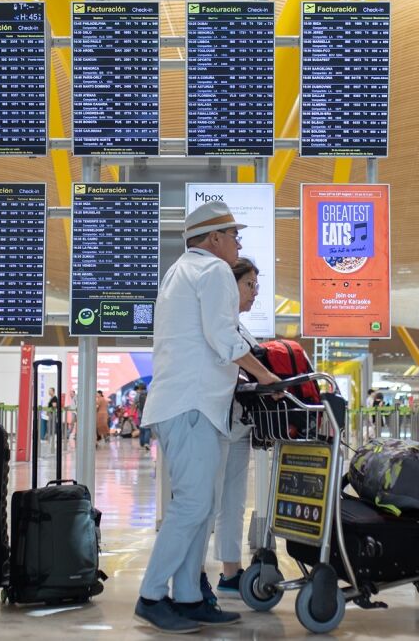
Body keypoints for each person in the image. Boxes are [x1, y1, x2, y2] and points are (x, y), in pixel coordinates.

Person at [135, 201, 279, 633]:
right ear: (214, 238)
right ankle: (151, 596)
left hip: (186, 405)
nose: (238, 244)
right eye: (234, 235)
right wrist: (266, 376)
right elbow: (223, 337)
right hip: (193, 405)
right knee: (194, 504)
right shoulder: (213, 271)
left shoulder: (179, 272)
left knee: (202, 506)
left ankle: (189, 597)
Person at [211, 257, 261, 595]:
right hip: (214, 421)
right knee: (205, 501)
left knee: (234, 501)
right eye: (249, 285)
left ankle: (230, 572)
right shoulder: (218, 321)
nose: (254, 292)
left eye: (257, 286)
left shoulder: (242, 327)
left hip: (240, 424)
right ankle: (190, 576)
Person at [135, 383, 151, 449]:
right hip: (148, 414)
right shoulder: (149, 394)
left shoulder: (138, 395)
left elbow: (135, 403)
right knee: (147, 429)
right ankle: (146, 443)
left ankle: (142, 443)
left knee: (141, 429)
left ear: (139, 388)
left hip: (140, 414)